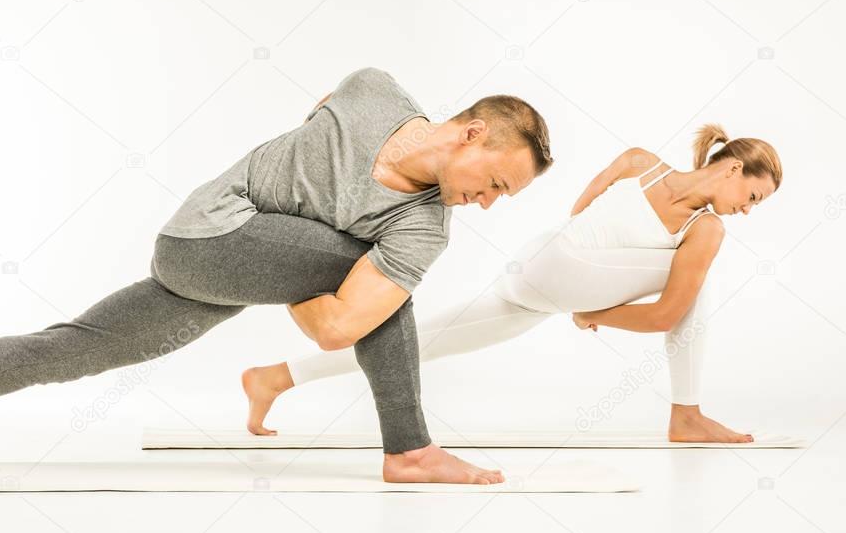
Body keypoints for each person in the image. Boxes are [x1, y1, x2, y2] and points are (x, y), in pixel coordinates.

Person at [0, 66, 553, 485]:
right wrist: (342, 260)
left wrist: (313, 263)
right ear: (468, 134)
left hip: (229, 266)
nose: (486, 203)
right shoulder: (375, 91)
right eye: (492, 182)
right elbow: (343, 307)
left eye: (500, 198)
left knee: (73, 348)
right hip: (210, 232)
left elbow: (339, 330)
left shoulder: (423, 224)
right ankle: (409, 450)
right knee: (380, 289)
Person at [242, 125, 782, 443]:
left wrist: (592, 298)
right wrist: (596, 310)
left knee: (424, 342)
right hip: (560, 266)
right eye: (754, 197)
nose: (749, 211)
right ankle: (686, 414)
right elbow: (660, 310)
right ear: (732, 168)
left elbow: (584, 217)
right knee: (695, 277)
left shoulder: (672, 196)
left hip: (540, 272)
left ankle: (275, 378)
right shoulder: (658, 182)